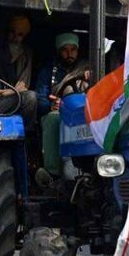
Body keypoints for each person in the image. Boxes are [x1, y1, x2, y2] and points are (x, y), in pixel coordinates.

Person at [35, 32, 90, 178]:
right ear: (59, 51)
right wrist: (51, 105)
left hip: (84, 112)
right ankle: (52, 173)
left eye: (73, 49)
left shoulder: (88, 68)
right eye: (65, 50)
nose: (69, 53)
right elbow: (40, 99)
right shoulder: (47, 72)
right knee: (53, 119)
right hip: (60, 113)